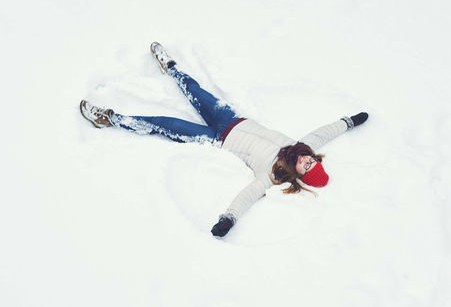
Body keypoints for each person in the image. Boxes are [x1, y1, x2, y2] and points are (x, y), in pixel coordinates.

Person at [80, 42, 369, 237]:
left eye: (307, 167)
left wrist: (228, 219)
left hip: (215, 139)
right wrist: (350, 121)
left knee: (164, 124)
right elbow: (325, 131)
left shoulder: (273, 175)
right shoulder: (302, 145)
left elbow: (247, 197)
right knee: (196, 90)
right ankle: (171, 67)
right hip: (230, 119)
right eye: (312, 161)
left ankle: (109, 118)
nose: (307, 160)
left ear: (299, 175)